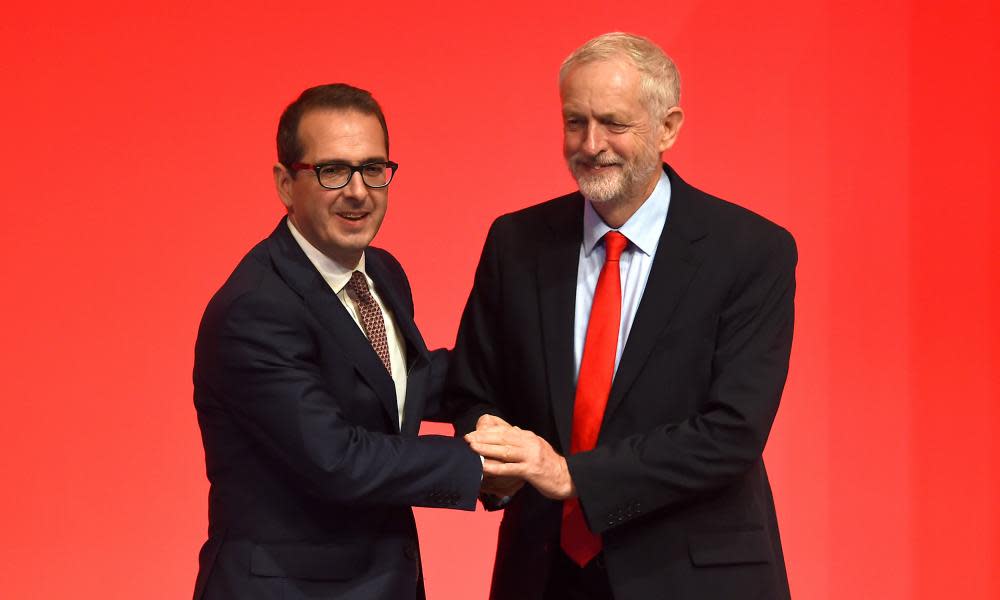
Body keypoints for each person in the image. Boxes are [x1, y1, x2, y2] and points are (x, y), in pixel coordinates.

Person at [453, 33, 796, 599]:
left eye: (613, 122)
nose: (591, 144)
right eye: (574, 122)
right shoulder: (515, 242)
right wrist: (493, 443)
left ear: (668, 126)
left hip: (692, 579)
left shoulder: (752, 250)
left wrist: (573, 477)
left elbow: (732, 431)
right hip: (542, 576)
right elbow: (473, 388)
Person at [192, 83, 482, 600]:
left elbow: (397, 382)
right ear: (285, 183)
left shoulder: (383, 274)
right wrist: (478, 465)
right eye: (333, 171)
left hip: (383, 582)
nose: (358, 190)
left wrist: (523, 379)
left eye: (373, 169)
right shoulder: (255, 309)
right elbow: (337, 459)